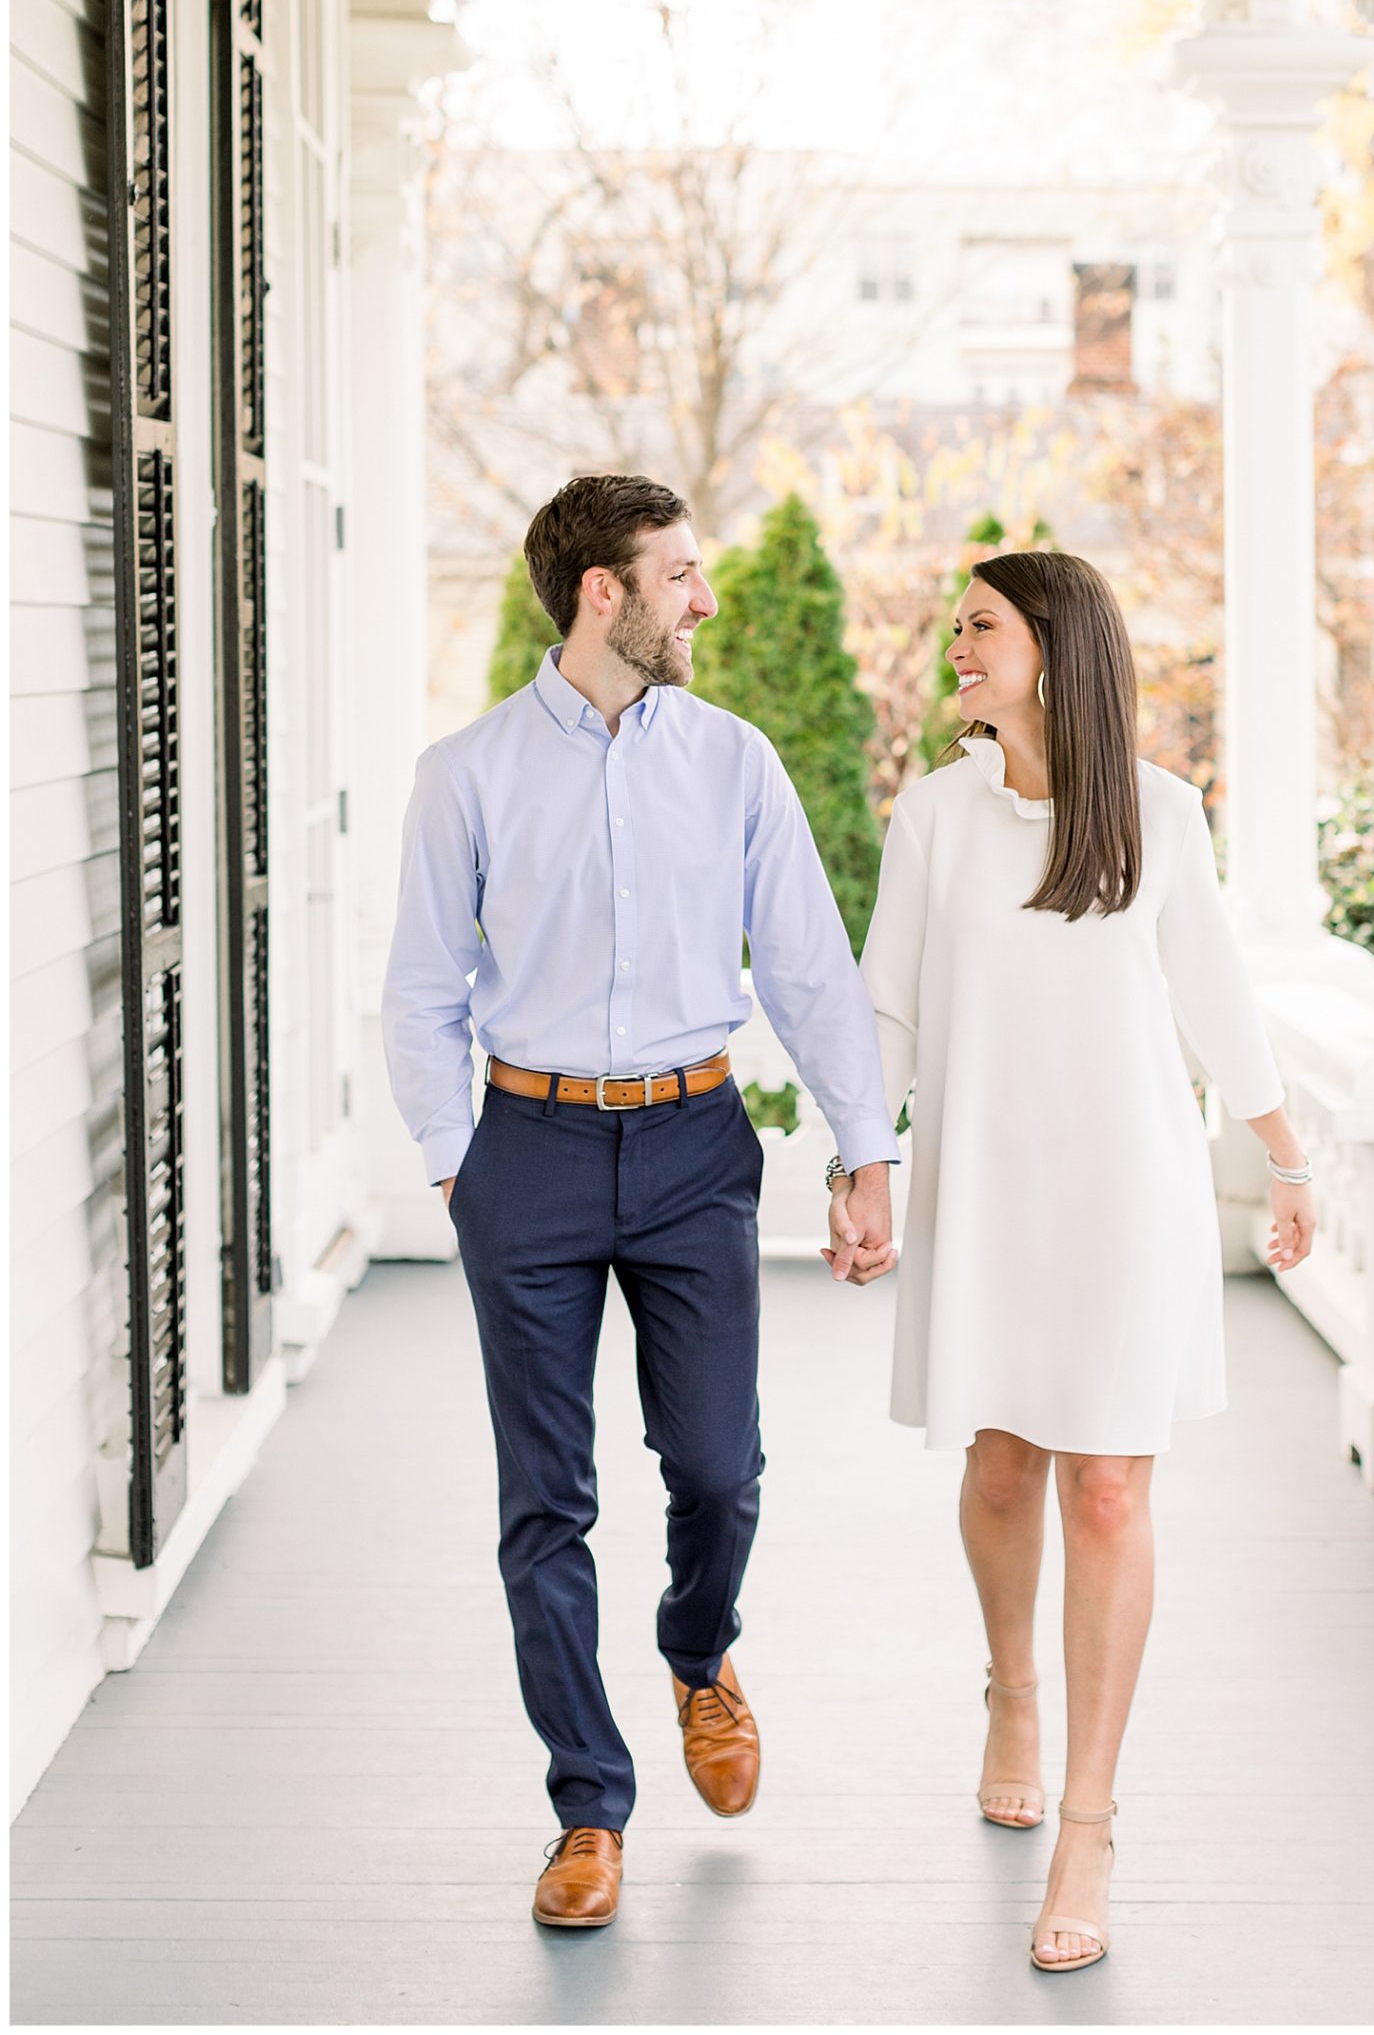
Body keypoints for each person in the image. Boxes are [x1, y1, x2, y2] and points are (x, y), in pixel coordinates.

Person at [382, 472, 898, 1932]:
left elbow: (805, 963)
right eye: (678, 574)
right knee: (544, 1502)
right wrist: (454, 1158)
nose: (704, 599)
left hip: (691, 1147)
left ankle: (696, 1651)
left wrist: (865, 1152)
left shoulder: (733, 762)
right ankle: (587, 1810)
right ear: (601, 592)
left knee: (719, 1467)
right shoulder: (467, 773)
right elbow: (422, 988)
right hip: (526, 1153)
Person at [839, 550, 1316, 1975]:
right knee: (998, 1464)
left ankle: (1090, 1824)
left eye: (976, 630)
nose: (953, 653)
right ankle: (1011, 1690)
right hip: (987, 1189)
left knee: (1107, 1485)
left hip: (1128, 1196)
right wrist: (860, 1173)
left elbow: (1218, 1001)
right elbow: (888, 1015)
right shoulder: (931, 816)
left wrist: (1288, 1158)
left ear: (1050, 644)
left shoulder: (1161, 817)